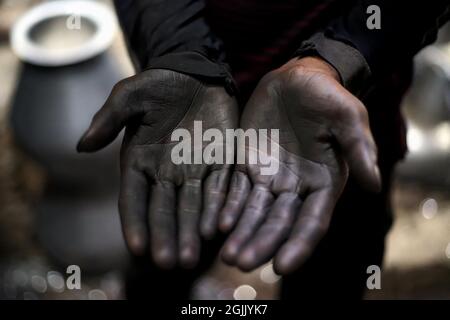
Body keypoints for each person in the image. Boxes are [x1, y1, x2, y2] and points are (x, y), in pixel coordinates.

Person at [77, 0, 450, 299]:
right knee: (163, 267)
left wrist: (342, 57)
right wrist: (180, 52)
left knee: (330, 278)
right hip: (189, 134)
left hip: (335, 132)